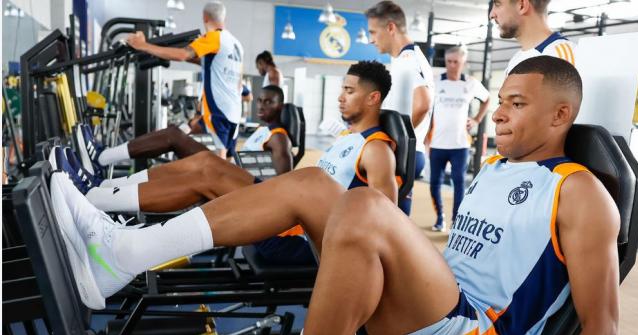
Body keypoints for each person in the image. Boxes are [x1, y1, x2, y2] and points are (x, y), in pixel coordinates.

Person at [51, 56, 619, 335]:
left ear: (560, 114)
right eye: (501, 99)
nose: (497, 111)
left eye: (516, 103)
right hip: (428, 323)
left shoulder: (581, 192)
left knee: (367, 206)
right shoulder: (495, 170)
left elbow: (603, 328)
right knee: (316, 185)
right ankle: (123, 254)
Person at [61, 61, 397, 269]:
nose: (340, 97)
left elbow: (385, 222)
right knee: (206, 162)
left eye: (349, 91)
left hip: (300, 236)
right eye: (341, 89)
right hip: (290, 215)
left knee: (207, 173)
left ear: (373, 98)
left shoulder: (377, 149)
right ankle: (99, 192)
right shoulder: (347, 141)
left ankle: (95, 202)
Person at [78, 86, 293, 214]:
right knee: (175, 136)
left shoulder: (279, 138)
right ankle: (104, 181)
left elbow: (281, 189)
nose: (262, 106)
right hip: (234, 175)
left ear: (280, 106)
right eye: (261, 101)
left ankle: (102, 169)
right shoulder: (261, 131)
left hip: (247, 194)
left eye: (269, 102)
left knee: (185, 149)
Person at [126, 1, 243, 159]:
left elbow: (183, 55)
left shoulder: (214, 37)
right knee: (189, 131)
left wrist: (144, 46)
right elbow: (206, 64)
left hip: (218, 112)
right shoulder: (236, 44)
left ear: (205, 17)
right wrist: (162, 52)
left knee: (220, 163)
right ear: (224, 18)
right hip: (234, 113)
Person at [366, 0, 434, 215]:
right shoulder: (402, 60)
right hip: (404, 152)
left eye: (373, 32)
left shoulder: (408, 59)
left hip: (403, 154)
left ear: (391, 28)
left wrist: (396, 142)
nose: (371, 39)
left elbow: (423, 104)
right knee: (391, 225)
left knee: (391, 225)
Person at [429, 44, 490, 232]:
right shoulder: (435, 81)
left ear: (463, 62)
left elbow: (487, 99)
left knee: (459, 182)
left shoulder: (470, 83)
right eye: (449, 61)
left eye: (456, 62)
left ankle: (456, 221)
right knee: (434, 184)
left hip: (460, 144)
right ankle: (440, 218)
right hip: (437, 143)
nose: (452, 65)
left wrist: (477, 120)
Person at [490, 0, 576, 75]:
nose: (491, 15)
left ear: (522, 6)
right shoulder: (515, 60)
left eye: (497, 4)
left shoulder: (562, 56)